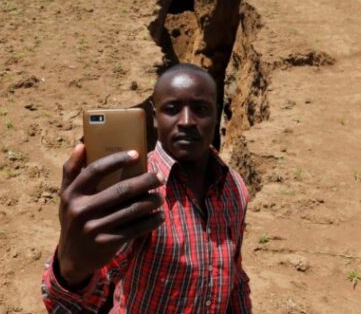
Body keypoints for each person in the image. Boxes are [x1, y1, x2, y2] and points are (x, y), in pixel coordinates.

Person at [41, 63, 251, 313]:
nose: (186, 121)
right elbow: (89, 294)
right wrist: (71, 272)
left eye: (200, 109)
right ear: (154, 117)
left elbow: (234, 275)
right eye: (172, 109)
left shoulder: (235, 188)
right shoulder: (136, 190)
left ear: (217, 113)